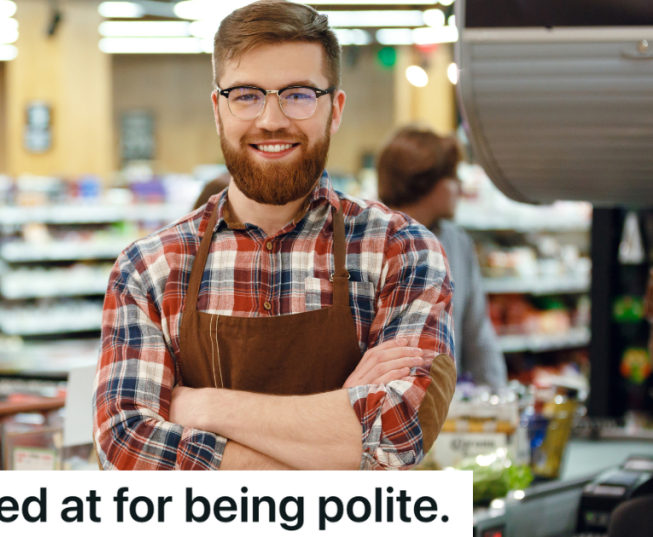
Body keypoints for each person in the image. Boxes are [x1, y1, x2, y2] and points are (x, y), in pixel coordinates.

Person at [92, 0, 456, 471]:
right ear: (218, 110)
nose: (271, 119)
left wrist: (202, 408)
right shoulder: (148, 269)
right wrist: (340, 428)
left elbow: (397, 434)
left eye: (299, 94)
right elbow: (125, 446)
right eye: (246, 94)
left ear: (335, 109)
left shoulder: (401, 250)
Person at [376, 126, 507, 389]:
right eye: (453, 176)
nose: (460, 186)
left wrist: (497, 397)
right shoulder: (369, 241)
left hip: (445, 408)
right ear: (424, 180)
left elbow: (477, 333)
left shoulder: (457, 243)